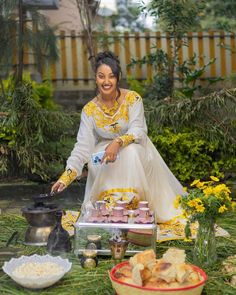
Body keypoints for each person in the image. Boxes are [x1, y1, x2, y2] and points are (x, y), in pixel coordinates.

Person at [52, 51, 184, 223]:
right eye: (101, 76)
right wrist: (66, 176)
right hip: (105, 153)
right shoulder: (89, 110)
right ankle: (109, 212)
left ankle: (135, 212)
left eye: (111, 76)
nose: (106, 82)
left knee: (130, 153)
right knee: (95, 160)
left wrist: (118, 141)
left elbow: (139, 130)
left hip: (136, 148)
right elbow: (83, 147)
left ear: (118, 77)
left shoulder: (133, 99)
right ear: (95, 78)